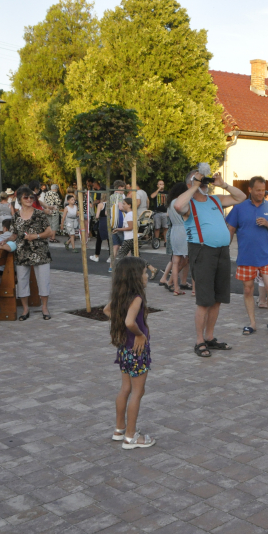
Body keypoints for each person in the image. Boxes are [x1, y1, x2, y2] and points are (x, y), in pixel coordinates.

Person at [174, 168, 246, 357]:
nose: (204, 184)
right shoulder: (188, 203)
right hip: (202, 252)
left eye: (205, 182)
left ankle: (210, 337)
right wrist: (193, 185)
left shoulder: (215, 199)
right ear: (191, 183)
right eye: (200, 181)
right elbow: (177, 206)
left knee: (217, 300)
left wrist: (223, 185)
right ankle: (199, 341)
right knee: (204, 301)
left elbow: (241, 197)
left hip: (222, 253)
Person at [102, 257, 155, 449]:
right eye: (144, 272)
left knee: (125, 389)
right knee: (138, 392)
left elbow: (107, 310)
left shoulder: (121, 295)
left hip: (124, 349)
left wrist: (125, 327)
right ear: (135, 276)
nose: (146, 275)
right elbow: (129, 322)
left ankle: (119, 429)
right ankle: (131, 437)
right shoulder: (137, 298)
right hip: (137, 351)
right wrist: (139, 335)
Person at [226, 176, 268, 335]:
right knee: (248, 290)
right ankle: (252, 323)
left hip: (267, 257)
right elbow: (230, 229)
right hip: (246, 257)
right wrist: (225, 248)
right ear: (250, 190)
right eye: (258, 190)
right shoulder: (239, 208)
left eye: (263, 190)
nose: (261, 193)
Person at [12, 186, 54, 321]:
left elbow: (49, 232)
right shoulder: (16, 215)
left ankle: (45, 307)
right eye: (26, 197)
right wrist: (3, 241)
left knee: (43, 280)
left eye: (31, 197)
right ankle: (25, 309)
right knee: (22, 280)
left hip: (40, 251)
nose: (29, 199)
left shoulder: (40, 213)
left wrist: (35, 236)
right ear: (20, 199)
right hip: (22, 252)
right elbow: (14, 234)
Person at [113, 198, 159, 278]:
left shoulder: (129, 215)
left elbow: (130, 227)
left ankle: (121, 273)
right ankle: (152, 269)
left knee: (120, 256)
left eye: (124, 204)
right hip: (132, 237)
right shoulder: (131, 214)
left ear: (129, 205)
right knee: (137, 257)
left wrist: (118, 229)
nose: (123, 205)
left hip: (129, 238)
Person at [160, 183, 191, 294]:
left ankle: (175, 286)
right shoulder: (182, 203)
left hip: (174, 231)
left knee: (176, 260)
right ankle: (171, 282)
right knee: (186, 259)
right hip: (184, 231)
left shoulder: (171, 203)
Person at [90, 194, 109, 263]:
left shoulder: (100, 205)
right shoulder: (111, 204)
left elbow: (97, 216)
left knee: (99, 240)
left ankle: (96, 256)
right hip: (109, 222)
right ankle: (110, 256)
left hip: (102, 222)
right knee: (109, 239)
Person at [150, 180, 169, 244]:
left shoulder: (167, 193)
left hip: (165, 213)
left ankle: (166, 241)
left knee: (165, 227)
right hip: (157, 213)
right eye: (160, 184)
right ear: (157, 185)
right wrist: (158, 190)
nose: (161, 185)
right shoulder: (155, 192)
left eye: (162, 184)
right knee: (157, 228)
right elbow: (152, 196)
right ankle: (156, 241)